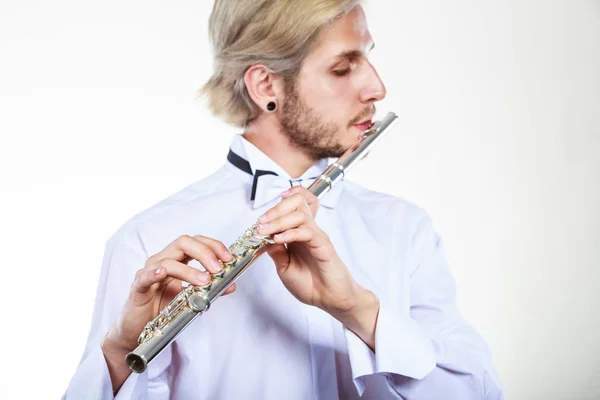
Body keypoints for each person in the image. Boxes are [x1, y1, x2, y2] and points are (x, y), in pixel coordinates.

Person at [64, 1, 503, 398]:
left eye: (367, 58)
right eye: (343, 67)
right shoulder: (147, 239)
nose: (377, 88)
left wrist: (359, 310)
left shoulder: (403, 228)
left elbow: (476, 392)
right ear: (265, 85)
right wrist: (122, 353)